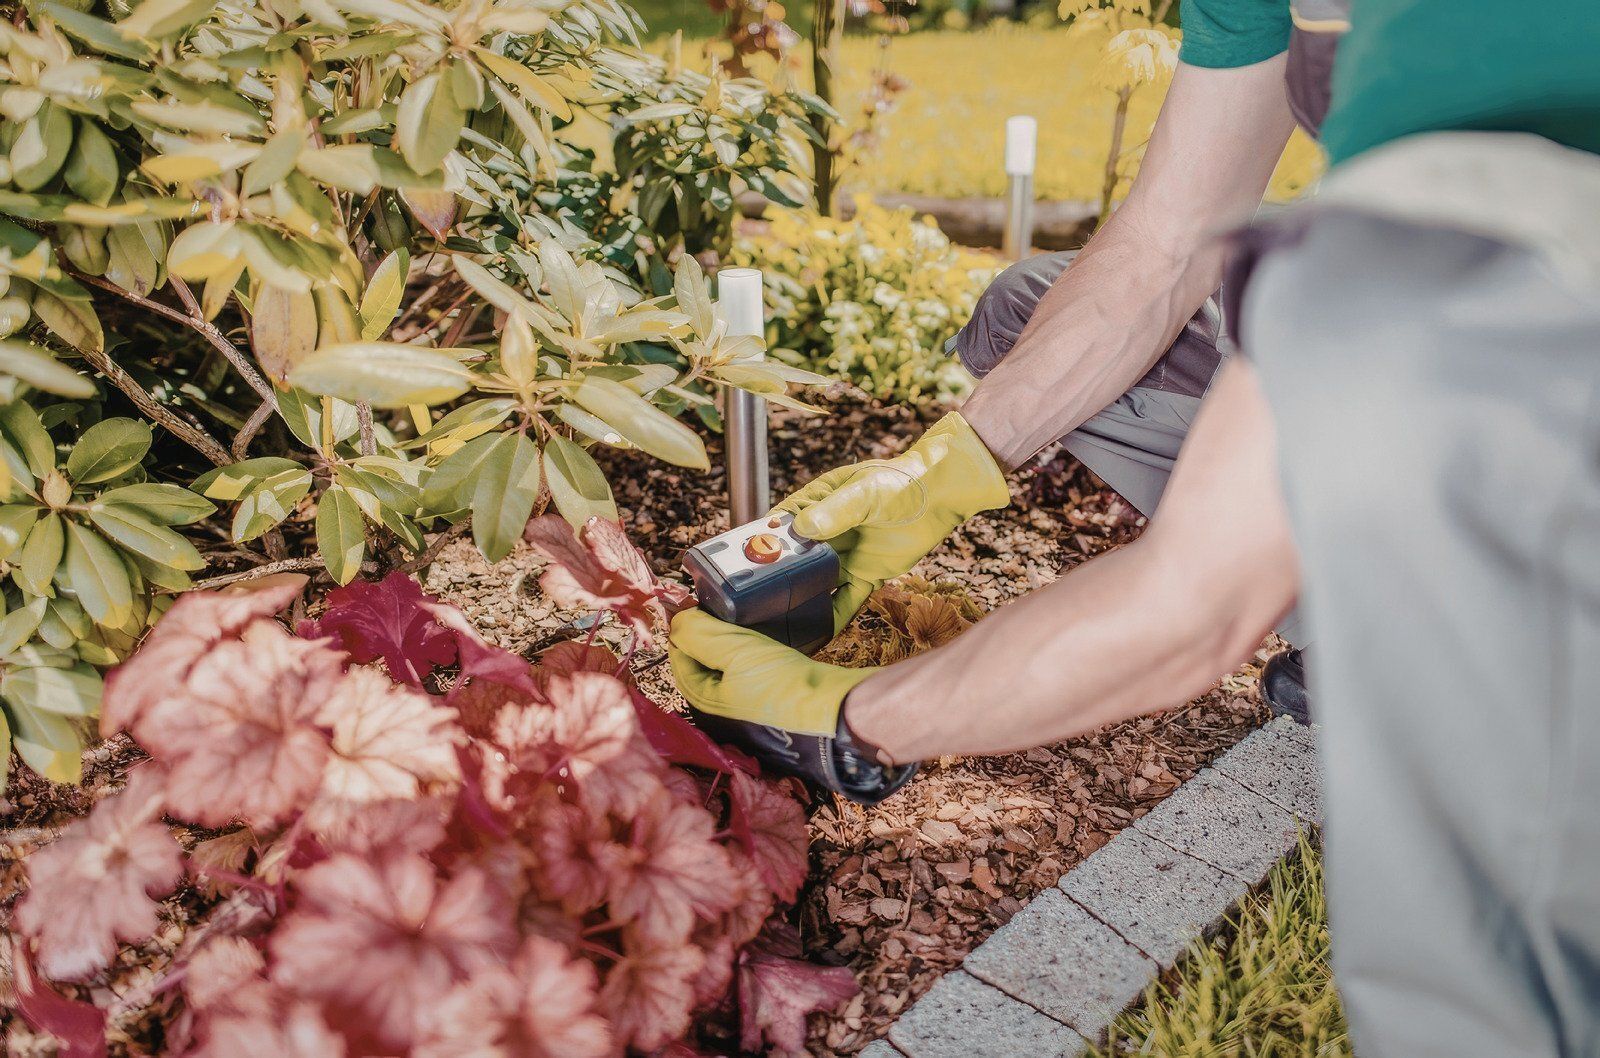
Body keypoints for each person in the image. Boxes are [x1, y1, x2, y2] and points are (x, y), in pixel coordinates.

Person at [670, 1, 1600, 1053]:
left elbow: (1189, 608)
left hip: (1508, 323)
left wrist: (855, 719)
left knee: (1476, 950)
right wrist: (934, 473)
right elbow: (1163, 245)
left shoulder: (1424, 225)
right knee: (1034, 309)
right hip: (1450, 306)